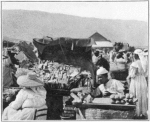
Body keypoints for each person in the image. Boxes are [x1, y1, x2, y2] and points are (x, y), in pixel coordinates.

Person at [126, 49, 148, 118]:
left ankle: (137, 113)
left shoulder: (135, 63)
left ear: (135, 55)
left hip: (136, 81)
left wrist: (128, 78)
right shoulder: (145, 63)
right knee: (142, 95)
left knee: (136, 95)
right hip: (143, 80)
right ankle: (142, 112)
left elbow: (132, 74)